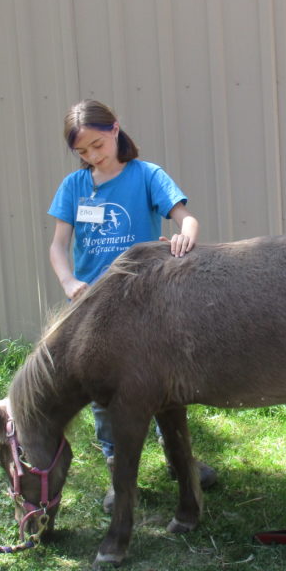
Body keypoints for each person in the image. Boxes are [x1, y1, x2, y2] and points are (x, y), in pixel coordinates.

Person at [47, 100, 217, 511]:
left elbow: (186, 219)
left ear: (116, 129)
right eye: (82, 151)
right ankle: (118, 470)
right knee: (104, 394)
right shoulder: (73, 187)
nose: (92, 156)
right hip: (94, 309)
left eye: (97, 144)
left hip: (144, 305)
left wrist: (184, 238)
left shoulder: (146, 176)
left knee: (159, 385)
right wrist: (70, 281)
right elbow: (58, 246)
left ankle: (180, 461)